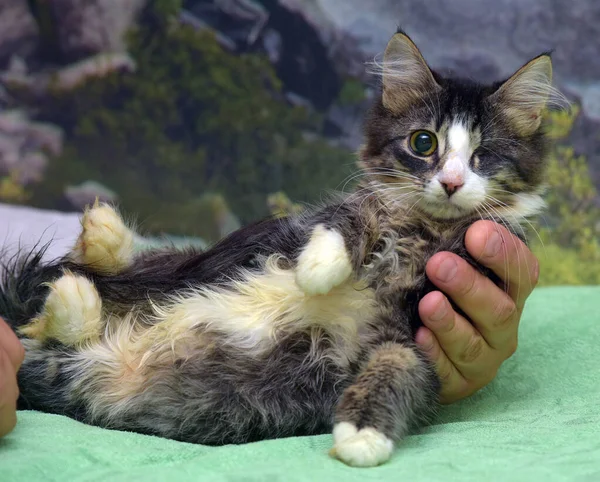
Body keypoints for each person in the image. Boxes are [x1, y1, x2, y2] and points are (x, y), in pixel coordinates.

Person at [0, 220, 538, 437]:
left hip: (250, 345)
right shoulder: (374, 209)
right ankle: (82, 313)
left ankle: (83, 321)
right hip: (223, 304)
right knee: (184, 281)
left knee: (179, 294)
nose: (449, 179)